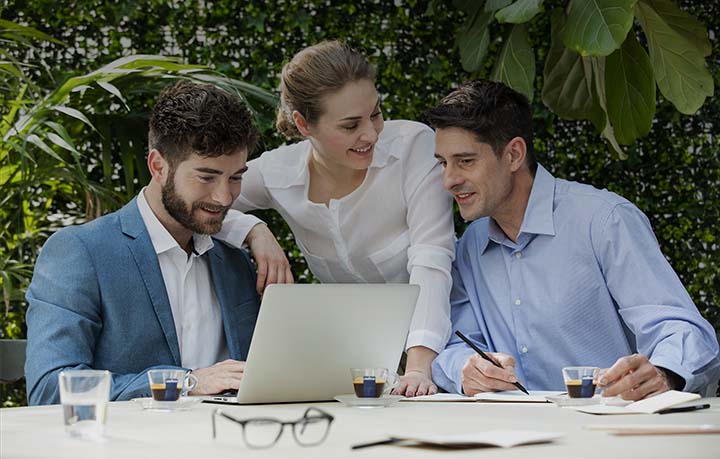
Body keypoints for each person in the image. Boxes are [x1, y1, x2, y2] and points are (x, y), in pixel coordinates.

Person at [428, 79, 720, 400]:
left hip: (612, 434)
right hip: (513, 437)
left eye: (465, 161)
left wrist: (663, 373)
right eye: (443, 163)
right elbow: (457, 342)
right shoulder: (471, 245)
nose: (449, 180)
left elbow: (684, 330)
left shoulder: (605, 220)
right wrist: (465, 369)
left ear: (513, 155)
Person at [217, 41, 455, 396]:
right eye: (350, 125)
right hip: (354, 366)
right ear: (303, 124)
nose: (371, 134)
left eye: (376, 113)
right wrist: (254, 229)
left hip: (445, 347)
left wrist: (419, 367)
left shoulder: (414, 147)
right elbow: (202, 203)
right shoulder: (277, 174)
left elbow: (431, 257)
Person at [25, 81, 261, 405]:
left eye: (235, 177)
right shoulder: (80, 252)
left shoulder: (236, 261)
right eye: (206, 177)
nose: (224, 196)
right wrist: (187, 382)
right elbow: (51, 388)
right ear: (158, 166)